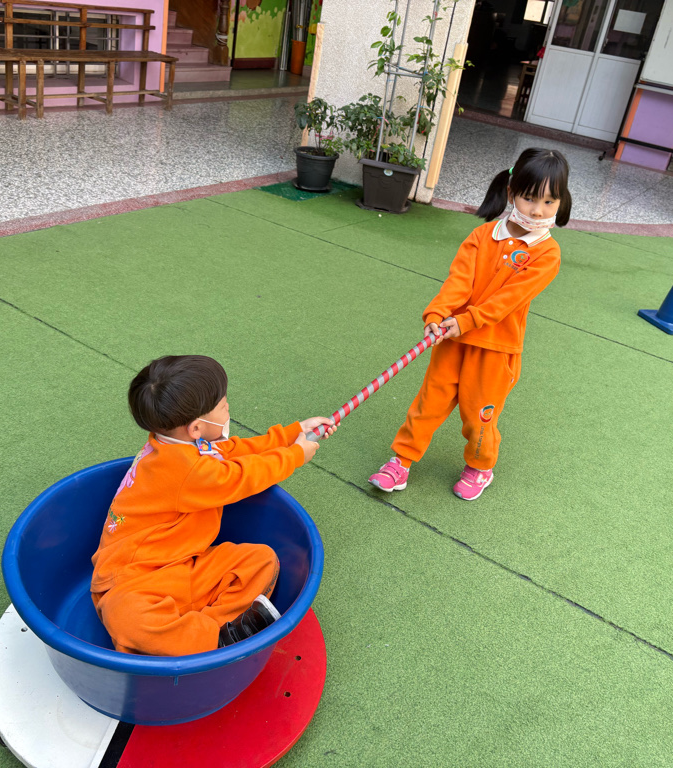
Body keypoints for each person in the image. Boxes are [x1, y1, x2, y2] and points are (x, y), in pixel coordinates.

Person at [90, 354, 335, 657]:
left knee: (260, 561)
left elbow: (238, 451)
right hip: (132, 580)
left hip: (183, 566)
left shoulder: (181, 443)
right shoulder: (184, 470)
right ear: (196, 428)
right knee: (128, 618)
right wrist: (294, 455)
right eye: (222, 406)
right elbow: (243, 475)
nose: (227, 408)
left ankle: (213, 632)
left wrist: (293, 434)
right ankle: (210, 640)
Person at [369, 147, 571, 501]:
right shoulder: (481, 236)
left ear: (560, 202)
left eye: (549, 202)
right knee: (428, 404)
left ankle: (480, 466)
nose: (538, 211)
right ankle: (401, 460)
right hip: (453, 338)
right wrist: (437, 314)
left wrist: (467, 321)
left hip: (494, 349)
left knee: (479, 416)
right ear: (511, 193)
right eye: (529, 198)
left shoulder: (547, 253)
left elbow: (508, 299)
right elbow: (458, 283)